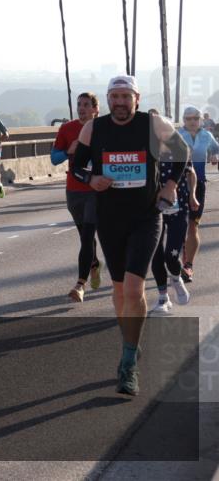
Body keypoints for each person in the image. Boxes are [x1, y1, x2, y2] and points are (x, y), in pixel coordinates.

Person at [71, 76, 190, 395]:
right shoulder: (93, 128)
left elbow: (181, 150)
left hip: (146, 217)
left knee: (135, 287)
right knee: (120, 289)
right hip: (110, 219)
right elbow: (76, 165)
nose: (120, 102)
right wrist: (91, 177)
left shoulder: (152, 124)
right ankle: (130, 342)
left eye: (126, 96)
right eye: (115, 96)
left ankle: (127, 364)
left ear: (136, 98)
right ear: (108, 100)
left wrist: (170, 184)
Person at [51, 92, 103, 302]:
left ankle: (79, 284)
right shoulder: (67, 128)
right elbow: (54, 159)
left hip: (95, 191)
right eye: (79, 104)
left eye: (86, 105)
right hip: (74, 190)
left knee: (88, 235)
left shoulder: (104, 129)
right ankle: (94, 263)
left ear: (95, 109)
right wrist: (67, 151)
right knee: (84, 236)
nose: (81, 108)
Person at [149, 157, 197, 314]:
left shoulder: (177, 147)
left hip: (179, 208)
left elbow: (191, 173)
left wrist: (192, 195)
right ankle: (163, 298)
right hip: (154, 210)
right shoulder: (144, 146)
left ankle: (176, 279)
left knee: (171, 256)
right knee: (156, 255)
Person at [177, 105, 219, 282]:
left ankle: (188, 265)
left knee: (193, 225)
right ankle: (178, 258)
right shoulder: (177, 135)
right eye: (188, 119)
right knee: (179, 225)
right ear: (184, 120)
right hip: (178, 184)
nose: (192, 121)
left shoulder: (206, 135)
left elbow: (216, 148)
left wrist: (214, 155)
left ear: (201, 120)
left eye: (196, 118)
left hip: (199, 184)